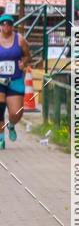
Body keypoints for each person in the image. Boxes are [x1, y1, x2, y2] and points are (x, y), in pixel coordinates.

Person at [0, 14, 32, 149]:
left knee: (16, 113)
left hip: (15, 79)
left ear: (12, 26)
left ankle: (11, 125)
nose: (6, 27)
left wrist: (23, 63)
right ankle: (1, 137)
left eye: (8, 24)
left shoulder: (19, 40)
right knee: (0, 109)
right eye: (3, 24)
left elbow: (27, 55)